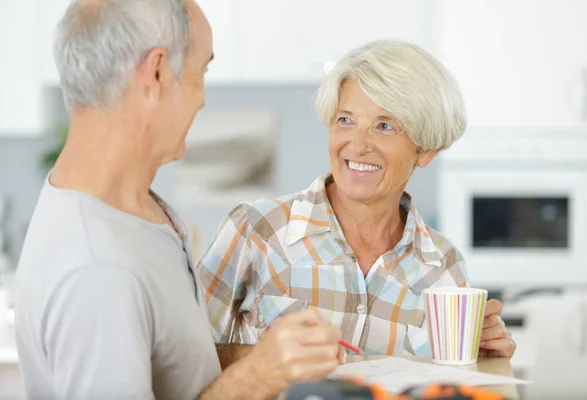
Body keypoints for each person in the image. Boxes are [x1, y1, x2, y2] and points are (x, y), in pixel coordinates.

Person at [14, 1, 344, 399]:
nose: (201, 99)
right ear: (155, 73)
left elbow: (176, 370)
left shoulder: (135, 213)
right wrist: (256, 378)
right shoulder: (97, 269)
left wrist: (270, 358)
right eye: (200, 71)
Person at [198, 40, 516, 364]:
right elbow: (179, 363)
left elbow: (451, 385)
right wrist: (267, 358)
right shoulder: (257, 230)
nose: (358, 144)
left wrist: (484, 358)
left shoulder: (443, 267)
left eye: (384, 126)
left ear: (426, 150)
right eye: (345, 120)